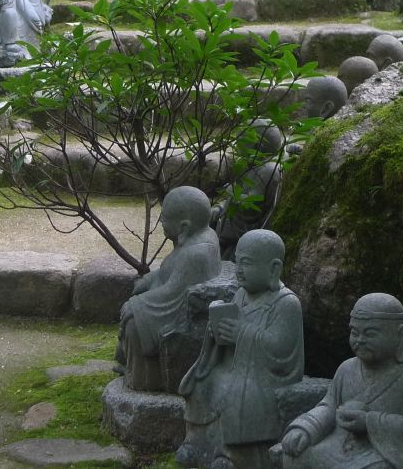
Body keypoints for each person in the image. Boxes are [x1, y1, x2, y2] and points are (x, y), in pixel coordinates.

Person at [178, 229, 303, 469]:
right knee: (202, 379)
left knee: (234, 391)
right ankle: (196, 442)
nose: (239, 269)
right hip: (235, 365)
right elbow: (230, 338)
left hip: (265, 375)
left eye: (246, 263)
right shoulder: (241, 295)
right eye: (237, 261)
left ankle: (232, 455)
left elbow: (282, 349)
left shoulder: (286, 303)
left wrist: (242, 334)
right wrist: (217, 333)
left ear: (273, 269)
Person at [281, 293, 403, 469]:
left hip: (383, 452)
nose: (360, 340)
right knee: (294, 455)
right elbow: (328, 407)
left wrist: (369, 421)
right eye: (354, 333)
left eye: (370, 334)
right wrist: (305, 429)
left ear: (400, 335)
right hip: (339, 444)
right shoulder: (346, 369)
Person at [116, 186, 222, 392]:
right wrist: (151, 279)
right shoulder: (195, 237)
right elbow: (171, 269)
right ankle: (130, 367)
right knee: (135, 306)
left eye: (164, 219)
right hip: (169, 298)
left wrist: (135, 306)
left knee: (133, 322)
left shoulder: (197, 253)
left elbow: (173, 294)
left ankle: (146, 379)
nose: (161, 222)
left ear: (183, 227)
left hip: (177, 313)